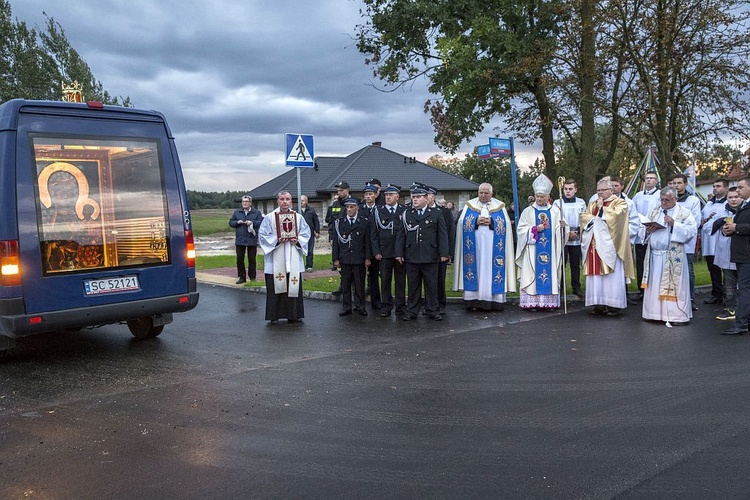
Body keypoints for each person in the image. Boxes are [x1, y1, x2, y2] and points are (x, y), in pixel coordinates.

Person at [453, 182, 516, 311]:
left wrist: (492, 222)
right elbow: (461, 223)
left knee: (492, 269)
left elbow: (506, 225)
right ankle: (472, 301)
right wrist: (475, 222)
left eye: (486, 193)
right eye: (480, 192)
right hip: (474, 248)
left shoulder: (499, 206)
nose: (482, 195)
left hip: (493, 249)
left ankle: (495, 301)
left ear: (491, 194)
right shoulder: (469, 205)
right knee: (474, 268)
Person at [641, 187, 697, 325]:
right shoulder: (655, 211)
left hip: (672, 255)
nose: (663, 202)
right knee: (654, 285)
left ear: (675, 199)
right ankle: (653, 314)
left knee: (674, 285)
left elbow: (691, 231)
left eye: (667, 200)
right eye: (662, 199)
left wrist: (674, 224)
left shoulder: (684, 213)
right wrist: (648, 230)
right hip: (654, 255)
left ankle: (676, 316)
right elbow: (643, 231)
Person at [580, 177, 635, 316]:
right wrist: (595, 217)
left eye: (603, 190)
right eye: (598, 190)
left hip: (611, 245)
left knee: (612, 276)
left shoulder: (620, 203)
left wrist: (601, 210)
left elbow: (618, 218)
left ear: (611, 190)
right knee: (595, 276)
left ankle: (613, 305)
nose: (600, 193)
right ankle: (598, 303)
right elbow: (584, 217)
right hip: (594, 245)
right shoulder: (592, 203)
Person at [395, 183, 449, 321]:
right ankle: (412, 311)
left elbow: (442, 235)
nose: (415, 200)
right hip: (412, 255)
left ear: (426, 198)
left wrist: (444, 253)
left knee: (431, 285)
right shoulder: (407, 214)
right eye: (414, 197)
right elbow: (401, 235)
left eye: (418, 197)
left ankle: (432, 309)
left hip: (430, 255)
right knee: (413, 286)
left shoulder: (436, 213)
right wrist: (399, 253)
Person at [258, 191, 311, 325]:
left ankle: (293, 315)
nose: (285, 202)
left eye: (287, 199)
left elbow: (306, 233)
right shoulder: (270, 217)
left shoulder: (298, 218)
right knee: (275, 287)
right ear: (278, 201)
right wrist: (277, 240)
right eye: (282, 199)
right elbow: (262, 235)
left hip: (293, 255)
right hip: (275, 257)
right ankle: (274, 315)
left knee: (293, 287)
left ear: (291, 201)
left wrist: (297, 240)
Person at [515, 174, 568, 310]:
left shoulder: (556, 211)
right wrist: (534, 229)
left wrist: (562, 228)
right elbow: (521, 230)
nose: (539, 199)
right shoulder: (528, 211)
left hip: (551, 251)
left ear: (547, 197)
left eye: (542, 197)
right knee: (532, 275)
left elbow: (562, 232)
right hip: (532, 251)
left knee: (549, 273)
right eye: (537, 196)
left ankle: (548, 303)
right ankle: (533, 302)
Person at [370, 183, 406, 317]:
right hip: (384, 252)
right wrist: (376, 251)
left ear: (397, 196)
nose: (388, 197)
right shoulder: (378, 210)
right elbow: (373, 233)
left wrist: (402, 252)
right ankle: (386, 307)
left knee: (400, 280)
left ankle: (401, 307)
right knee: (385, 280)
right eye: (386, 195)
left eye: (391, 195)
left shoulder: (404, 210)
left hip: (400, 253)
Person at [719, 177, 750, 335]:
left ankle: (741, 323)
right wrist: (729, 230)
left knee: (744, 289)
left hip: (747, 254)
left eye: (740, 187)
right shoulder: (744, 205)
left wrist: (737, 227)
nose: (737, 191)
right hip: (741, 252)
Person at [332, 197, 371, 316]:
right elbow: (336, 242)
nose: (349, 209)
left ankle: (360, 306)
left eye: (352, 207)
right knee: (346, 285)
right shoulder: (339, 222)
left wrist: (368, 258)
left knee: (359, 285)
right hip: (345, 258)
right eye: (347, 207)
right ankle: (346, 307)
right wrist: (336, 258)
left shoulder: (364, 222)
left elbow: (367, 242)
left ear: (357, 208)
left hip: (359, 258)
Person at [667, 173, 701, 309]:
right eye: (674, 183)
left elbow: (695, 221)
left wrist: (676, 225)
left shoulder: (692, 200)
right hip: (669, 240)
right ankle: (673, 297)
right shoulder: (666, 200)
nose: (676, 185)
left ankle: (690, 298)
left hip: (685, 241)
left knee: (688, 270)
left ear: (685, 184)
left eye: (679, 183)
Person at [553, 178, 586, 298]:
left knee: (575, 264)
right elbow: (556, 219)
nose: (568, 191)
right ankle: (560, 287)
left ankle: (576, 287)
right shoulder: (557, 202)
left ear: (575, 190)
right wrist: (567, 232)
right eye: (566, 189)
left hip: (576, 237)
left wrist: (576, 232)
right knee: (561, 264)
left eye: (570, 189)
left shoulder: (581, 202)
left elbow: (584, 218)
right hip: (563, 237)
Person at [424, 184, 455, 315]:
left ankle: (440, 303)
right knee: (428, 280)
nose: (427, 197)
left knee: (439, 279)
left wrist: (449, 253)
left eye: (430, 195)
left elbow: (450, 233)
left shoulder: (444, 212)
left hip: (440, 252)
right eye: (426, 195)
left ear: (434, 196)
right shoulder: (422, 211)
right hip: (426, 252)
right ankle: (429, 304)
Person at [713, 187, 741, 321]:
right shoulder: (721, 211)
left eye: (736, 196)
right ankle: (730, 307)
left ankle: (743, 307)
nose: (733, 200)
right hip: (726, 252)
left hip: (742, 253)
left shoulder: (745, 211)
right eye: (730, 197)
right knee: (729, 283)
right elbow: (709, 228)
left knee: (744, 283)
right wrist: (722, 228)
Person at [631, 172, 661, 296]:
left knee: (653, 261)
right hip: (640, 231)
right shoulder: (638, 196)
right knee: (641, 261)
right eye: (647, 178)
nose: (649, 180)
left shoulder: (660, 195)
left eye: (652, 178)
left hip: (653, 230)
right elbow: (633, 212)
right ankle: (641, 288)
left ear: (656, 181)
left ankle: (654, 288)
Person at [700, 179, 729, 305]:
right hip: (708, 241)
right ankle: (716, 293)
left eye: (718, 186)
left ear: (726, 188)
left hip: (722, 240)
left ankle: (728, 294)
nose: (715, 188)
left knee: (726, 270)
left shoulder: (729, 203)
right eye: (713, 186)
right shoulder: (709, 204)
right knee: (713, 269)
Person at [228, 195, 264, 284]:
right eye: (243, 201)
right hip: (240, 240)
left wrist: (252, 222)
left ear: (250, 203)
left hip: (252, 239)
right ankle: (242, 277)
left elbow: (261, 222)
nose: (244, 203)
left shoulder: (256, 212)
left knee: (252, 259)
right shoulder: (237, 212)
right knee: (239, 259)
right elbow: (231, 223)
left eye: (246, 201)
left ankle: (252, 277)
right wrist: (237, 222)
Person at [360, 183, 382, 311]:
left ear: (375, 195)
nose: (368, 197)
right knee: (359, 277)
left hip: (375, 248)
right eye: (366, 194)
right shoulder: (360, 209)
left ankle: (376, 301)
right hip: (362, 248)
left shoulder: (380, 209)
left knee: (374, 276)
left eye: (370, 194)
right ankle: (360, 302)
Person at [300, 195, 320, 272]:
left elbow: (316, 221)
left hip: (309, 233)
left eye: (303, 200)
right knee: (299, 250)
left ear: (306, 202)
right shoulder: (294, 210)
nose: (301, 202)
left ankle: (309, 266)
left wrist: (317, 231)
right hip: (299, 234)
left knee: (310, 250)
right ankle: (299, 266)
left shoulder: (311, 210)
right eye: (300, 200)